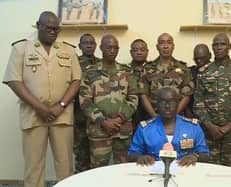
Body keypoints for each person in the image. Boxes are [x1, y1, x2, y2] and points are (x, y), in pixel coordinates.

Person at [2, 11, 81, 187]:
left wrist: (60, 105)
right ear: (39, 25)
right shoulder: (21, 48)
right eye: (49, 28)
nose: (53, 32)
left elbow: (76, 80)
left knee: (65, 165)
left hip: (62, 115)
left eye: (57, 29)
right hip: (33, 115)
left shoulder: (68, 50)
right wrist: (41, 108)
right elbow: (14, 81)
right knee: (34, 166)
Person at [79, 34, 138, 168]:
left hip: (122, 131)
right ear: (101, 48)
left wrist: (119, 119)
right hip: (99, 131)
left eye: (115, 48)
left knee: (124, 170)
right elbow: (85, 100)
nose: (112, 50)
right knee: (97, 171)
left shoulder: (127, 71)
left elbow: (133, 99)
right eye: (108, 47)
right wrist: (103, 121)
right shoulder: (90, 72)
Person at [194, 33, 231, 168]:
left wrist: (228, 126)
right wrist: (210, 125)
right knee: (208, 169)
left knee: (230, 171)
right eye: (216, 45)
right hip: (209, 132)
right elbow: (198, 103)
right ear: (212, 48)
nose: (219, 47)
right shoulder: (204, 72)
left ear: (229, 46)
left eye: (222, 44)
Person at [128, 86, 209, 166]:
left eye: (172, 102)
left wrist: (195, 157)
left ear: (178, 103)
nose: (167, 106)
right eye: (163, 102)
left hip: (185, 172)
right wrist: (140, 157)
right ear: (157, 104)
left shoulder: (193, 127)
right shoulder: (144, 129)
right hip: (153, 172)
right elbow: (132, 154)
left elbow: (205, 154)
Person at [142, 33, 194, 118]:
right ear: (157, 47)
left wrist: (173, 116)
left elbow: (187, 95)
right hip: (153, 117)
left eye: (169, 42)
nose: (165, 46)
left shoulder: (183, 69)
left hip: (177, 118)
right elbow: (143, 95)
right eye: (162, 43)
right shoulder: (147, 69)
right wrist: (154, 117)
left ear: (173, 46)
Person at [74, 33, 101, 173]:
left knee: (97, 156)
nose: (89, 45)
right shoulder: (74, 63)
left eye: (92, 42)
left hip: (97, 116)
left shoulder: (101, 63)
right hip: (79, 116)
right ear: (80, 46)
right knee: (81, 153)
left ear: (96, 46)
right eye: (85, 43)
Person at [185, 44, 211, 118]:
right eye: (196, 59)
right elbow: (186, 95)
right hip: (193, 116)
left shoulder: (218, 71)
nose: (199, 61)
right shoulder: (191, 72)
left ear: (209, 56)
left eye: (202, 58)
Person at [129, 39, 150, 131]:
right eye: (135, 50)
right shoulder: (124, 71)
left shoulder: (154, 70)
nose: (139, 52)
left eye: (142, 50)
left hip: (151, 114)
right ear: (131, 52)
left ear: (147, 51)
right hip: (131, 117)